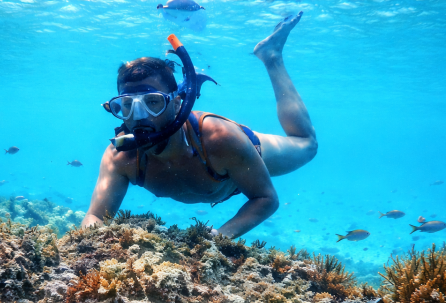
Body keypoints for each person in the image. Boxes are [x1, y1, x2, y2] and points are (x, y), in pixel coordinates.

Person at [82, 12, 317, 238]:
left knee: (307, 145)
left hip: (246, 149)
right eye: (125, 106)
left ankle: (272, 56)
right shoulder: (120, 157)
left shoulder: (220, 139)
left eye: (152, 103)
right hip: (220, 163)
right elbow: (95, 215)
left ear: (176, 104)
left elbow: (265, 198)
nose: (139, 117)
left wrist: (220, 236)